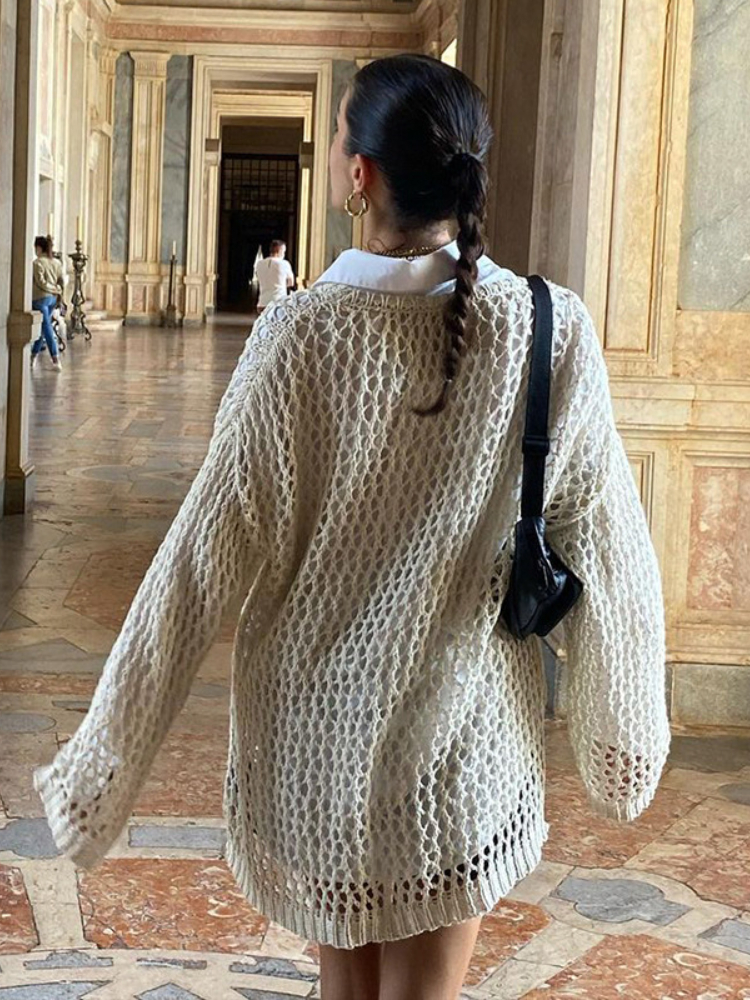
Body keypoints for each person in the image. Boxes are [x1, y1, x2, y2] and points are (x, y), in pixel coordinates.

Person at [33, 55, 670, 1000]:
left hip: (313, 750)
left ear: (358, 174)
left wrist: (102, 768)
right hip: (461, 748)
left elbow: (198, 564)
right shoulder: (547, 328)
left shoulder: (296, 338)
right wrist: (626, 736)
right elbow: (608, 545)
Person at [31, 235, 64, 370]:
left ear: (39, 248)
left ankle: (55, 358)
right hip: (53, 299)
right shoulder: (57, 263)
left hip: (40, 299)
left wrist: (52, 289)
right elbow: (61, 281)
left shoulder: (37, 263)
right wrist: (57, 291)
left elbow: (41, 282)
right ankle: (33, 356)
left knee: (46, 327)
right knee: (44, 328)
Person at [254, 239, 295, 311]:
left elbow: (259, 278)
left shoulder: (259, 264)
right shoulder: (284, 264)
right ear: (280, 251)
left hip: (262, 303)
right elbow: (291, 283)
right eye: (284, 252)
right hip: (278, 303)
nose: (284, 254)